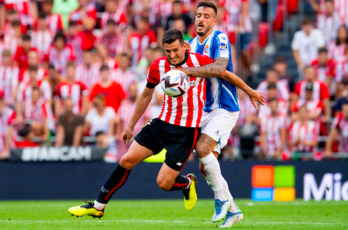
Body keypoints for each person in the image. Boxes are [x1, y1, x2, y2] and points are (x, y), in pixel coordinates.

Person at [68, 29, 264, 220]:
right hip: (161, 124)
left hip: (186, 133)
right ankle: (98, 206)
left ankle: (187, 183)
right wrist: (130, 125)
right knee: (127, 160)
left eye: (176, 50)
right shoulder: (158, 66)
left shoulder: (199, 62)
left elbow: (224, 73)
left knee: (163, 183)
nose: (172, 55)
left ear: (183, 47)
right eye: (168, 51)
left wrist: (249, 91)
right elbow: (146, 94)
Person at [179, 2, 264, 227]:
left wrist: (248, 91)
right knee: (203, 165)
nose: (201, 19)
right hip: (204, 110)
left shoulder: (220, 39)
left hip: (225, 107)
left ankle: (222, 199)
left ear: (214, 21)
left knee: (202, 149)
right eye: (198, 15)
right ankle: (234, 211)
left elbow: (220, 69)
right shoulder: (192, 45)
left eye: (207, 16)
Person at [0, 91, 16, 160]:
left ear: (3, 101)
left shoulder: (10, 113)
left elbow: (9, 132)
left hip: (9, 148)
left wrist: (6, 150)